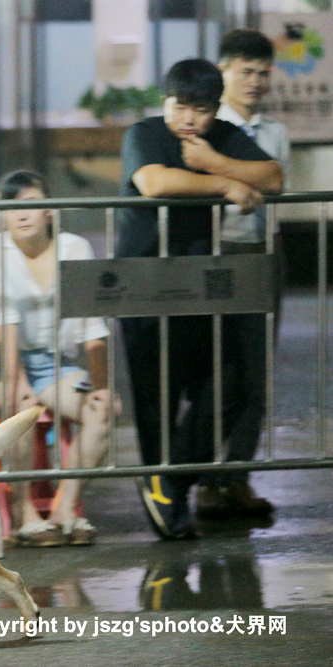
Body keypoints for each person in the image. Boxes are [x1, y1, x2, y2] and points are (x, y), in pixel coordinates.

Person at [117, 58, 282, 540]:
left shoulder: (223, 137)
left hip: (201, 284)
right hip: (143, 282)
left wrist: (214, 162)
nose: (189, 119)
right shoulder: (145, 133)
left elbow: (273, 177)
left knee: (233, 382)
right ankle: (166, 495)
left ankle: (170, 480)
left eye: (201, 110)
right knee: (157, 399)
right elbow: (155, 182)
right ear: (165, 101)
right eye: (180, 107)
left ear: (215, 108)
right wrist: (227, 183)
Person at [0, 171, 113, 547]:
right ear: (2, 215)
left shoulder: (75, 247)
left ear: (50, 211)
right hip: (3, 361)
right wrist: (18, 381)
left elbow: (92, 322)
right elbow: (3, 324)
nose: (21, 215)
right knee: (19, 405)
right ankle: (24, 512)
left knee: (103, 409)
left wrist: (101, 386)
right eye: (11, 208)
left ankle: (65, 509)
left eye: (31, 204)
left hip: (57, 364)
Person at [193, 29, 290, 519]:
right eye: (245, 71)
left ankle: (237, 476)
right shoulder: (207, 125)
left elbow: (274, 181)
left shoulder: (275, 131)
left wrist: (220, 168)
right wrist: (235, 172)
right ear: (224, 71)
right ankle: (206, 479)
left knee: (257, 372)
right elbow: (238, 177)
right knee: (218, 371)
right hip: (217, 252)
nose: (255, 81)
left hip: (264, 251)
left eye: (263, 73)